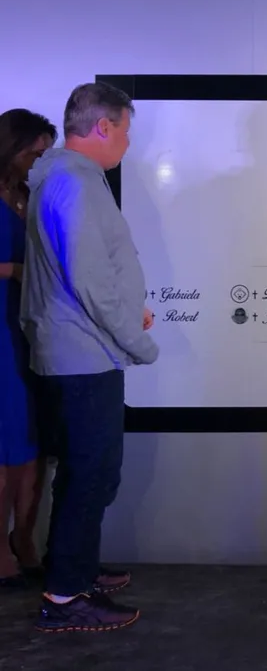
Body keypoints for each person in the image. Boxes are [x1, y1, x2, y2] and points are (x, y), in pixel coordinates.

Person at [21, 82, 159, 632]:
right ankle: (65, 597)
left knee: (89, 473)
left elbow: (86, 277)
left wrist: (127, 313)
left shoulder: (68, 179)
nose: (127, 143)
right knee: (90, 473)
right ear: (104, 125)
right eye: (125, 130)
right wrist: (136, 341)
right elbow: (90, 282)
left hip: (82, 350)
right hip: (84, 355)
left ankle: (73, 571)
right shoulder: (73, 183)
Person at [0, 109, 56, 589]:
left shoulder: (30, 195)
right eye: (34, 153)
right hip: (2, 334)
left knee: (34, 444)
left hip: (31, 329)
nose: (39, 162)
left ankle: (24, 539)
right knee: (7, 442)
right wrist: (16, 271)